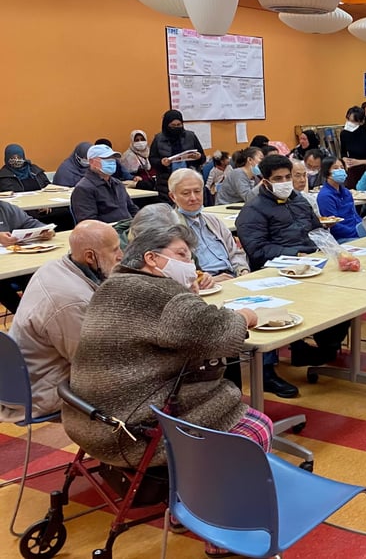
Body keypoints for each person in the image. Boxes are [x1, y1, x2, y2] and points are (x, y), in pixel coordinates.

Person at [61, 225, 270, 556]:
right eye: (181, 255)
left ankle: (188, 506)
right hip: (129, 430)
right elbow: (222, 335)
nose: (189, 262)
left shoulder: (112, 285)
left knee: (216, 393)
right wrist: (245, 314)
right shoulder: (161, 295)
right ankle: (219, 530)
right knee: (255, 426)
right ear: (152, 259)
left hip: (86, 416)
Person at [236, 155, 349, 397]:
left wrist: (336, 252)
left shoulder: (299, 201)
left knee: (346, 295)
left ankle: (315, 347)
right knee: (272, 307)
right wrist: (294, 253)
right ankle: (265, 372)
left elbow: (317, 230)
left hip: (309, 266)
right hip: (273, 272)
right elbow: (257, 251)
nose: (286, 182)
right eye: (279, 179)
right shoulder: (252, 211)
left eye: (288, 177)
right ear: (265, 181)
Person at [1, 221, 121, 420]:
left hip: (20, 381)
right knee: (154, 386)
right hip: (40, 393)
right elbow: (96, 365)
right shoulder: (72, 302)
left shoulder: (55, 266)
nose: (121, 256)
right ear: (90, 256)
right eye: (115, 250)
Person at [168, 169, 250, 280]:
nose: (193, 198)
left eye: (197, 191)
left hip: (232, 277)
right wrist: (207, 280)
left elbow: (235, 252)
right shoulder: (170, 227)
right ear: (173, 196)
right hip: (205, 283)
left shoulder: (213, 220)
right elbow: (175, 270)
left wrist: (242, 270)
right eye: (186, 193)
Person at [0, 202, 56, 314]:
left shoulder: (5, 208)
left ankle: (39, 318)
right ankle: (23, 318)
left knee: (38, 275)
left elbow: (30, 223)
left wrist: (45, 230)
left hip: (14, 262)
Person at [70, 144, 139, 224]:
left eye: (113, 159)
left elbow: (132, 209)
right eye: (106, 159)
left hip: (127, 229)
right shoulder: (84, 188)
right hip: (106, 233)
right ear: (92, 162)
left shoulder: (118, 184)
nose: (112, 162)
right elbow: (89, 223)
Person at [150, 109, 206, 202]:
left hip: (189, 178)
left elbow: (202, 157)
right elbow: (152, 159)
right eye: (173, 126)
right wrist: (161, 162)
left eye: (179, 125)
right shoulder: (158, 139)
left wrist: (198, 157)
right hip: (166, 181)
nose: (176, 128)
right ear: (166, 125)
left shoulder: (190, 136)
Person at [317, 158, 362, 241]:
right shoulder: (325, 196)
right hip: (342, 237)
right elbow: (333, 225)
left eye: (342, 167)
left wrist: (364, 228)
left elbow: (355, 215)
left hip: (356, 232)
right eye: (335, 168)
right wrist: (357, 233)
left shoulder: (346, 192)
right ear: (327, 172)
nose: (340, 170)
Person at [340, 105, 366, 189]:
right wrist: (344, 158)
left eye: (353, 121)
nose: (349, 123)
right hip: (352, 171)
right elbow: (343, 152)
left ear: (361, 122)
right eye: (348, 120)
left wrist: (359, 162)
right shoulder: (344, 134)